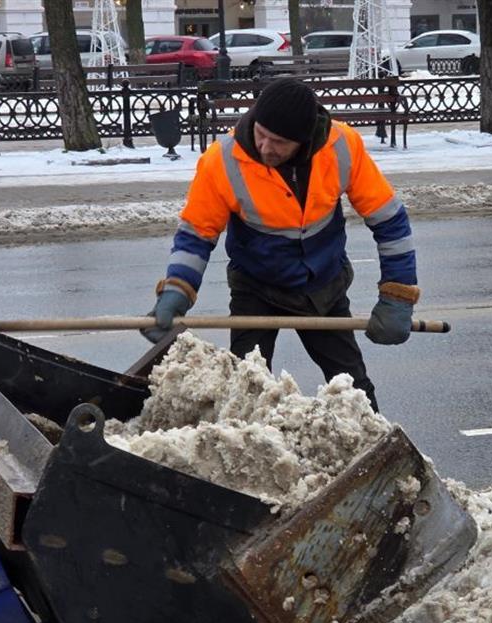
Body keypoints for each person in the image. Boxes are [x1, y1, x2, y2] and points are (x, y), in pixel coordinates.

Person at [143, 79, 419, 412]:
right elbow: (197, 234)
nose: (265, 147)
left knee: (354, 391)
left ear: (304, 142)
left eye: (279, 142)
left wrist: (397, 296)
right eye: (261, 134)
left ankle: (381, 450)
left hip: (323, 287)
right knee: (245, 392)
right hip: (256, 288)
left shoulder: (342, 146)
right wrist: (176, 290)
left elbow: (390, 221)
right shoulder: (223, 160)